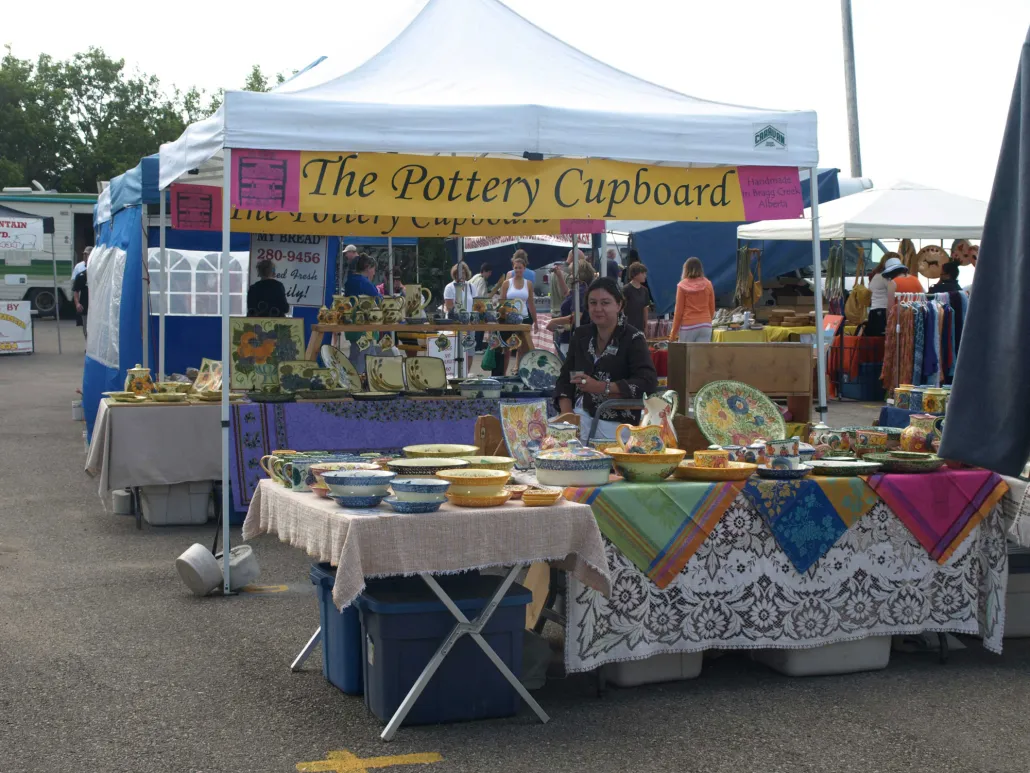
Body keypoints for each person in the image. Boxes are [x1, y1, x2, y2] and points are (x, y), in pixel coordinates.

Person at [554, 277, 658, 443]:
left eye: (605, 303)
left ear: (619, 305)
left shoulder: (633, 338)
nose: (598, 308)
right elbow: (566, 378)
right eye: (593, 303)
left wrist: (601, 387)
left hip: (617, 423)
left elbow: (647, 382)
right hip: (578, 418)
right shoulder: (581, 336)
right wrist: (568, 418)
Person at [492, 253, 538, 376]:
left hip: (524, 317)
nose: (518, 270)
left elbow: (531, 303)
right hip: (509, 318)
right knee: (506, 347)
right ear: (513, 268)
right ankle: (502, 374)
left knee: (523, 346)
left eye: (520, 267)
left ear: (524, 269)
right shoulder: (507, 283)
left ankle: (522, 372)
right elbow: (501, 302)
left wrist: (536, 321)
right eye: (516, 267)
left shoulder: (528, 283)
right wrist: (501, 317)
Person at [546, 259, 595, 355]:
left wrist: (554, 321)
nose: (570, 275)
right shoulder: (581, 289)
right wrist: (559, 276)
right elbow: (566, 293)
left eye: (572, 272)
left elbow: (576, 317)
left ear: (578, 274)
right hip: (571, 336)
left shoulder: (580, 292)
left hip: (571, 339)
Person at [343, 253, 382, 370]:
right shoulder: (364, 282)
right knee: (362, 360)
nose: (374, 273)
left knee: (361, 356)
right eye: (373, 269)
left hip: (353, 325)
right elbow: (379, 299)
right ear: (368, 268)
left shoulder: (350, 281)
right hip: (365, 328)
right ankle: (358, 384)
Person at [668, 257, 716, 343]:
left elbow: (678, 312)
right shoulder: (708, 284)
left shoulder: (681, 286)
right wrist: (707, 319)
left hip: (688, 325)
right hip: (705, 324)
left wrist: (673, 335)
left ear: (685, 269)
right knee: (701, 355)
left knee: (686, 355)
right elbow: (712, 308)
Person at [622, 262, 652, 334]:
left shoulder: (645, 290)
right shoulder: (626, 289)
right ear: (635, 274)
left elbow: (645, 309)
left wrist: (646, 325)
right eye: (643, 273)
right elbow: (621, 308)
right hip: (628, 325)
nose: (645, 276)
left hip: (640, 326)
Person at [72, 255, 89, 339]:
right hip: (85, 306)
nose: (86, 259)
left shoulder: (100, 275)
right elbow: (76, 291)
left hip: (97, 308)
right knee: (86, 328)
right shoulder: (81, 276)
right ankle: (87, 346)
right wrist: (77, 303)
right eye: (85, 257)